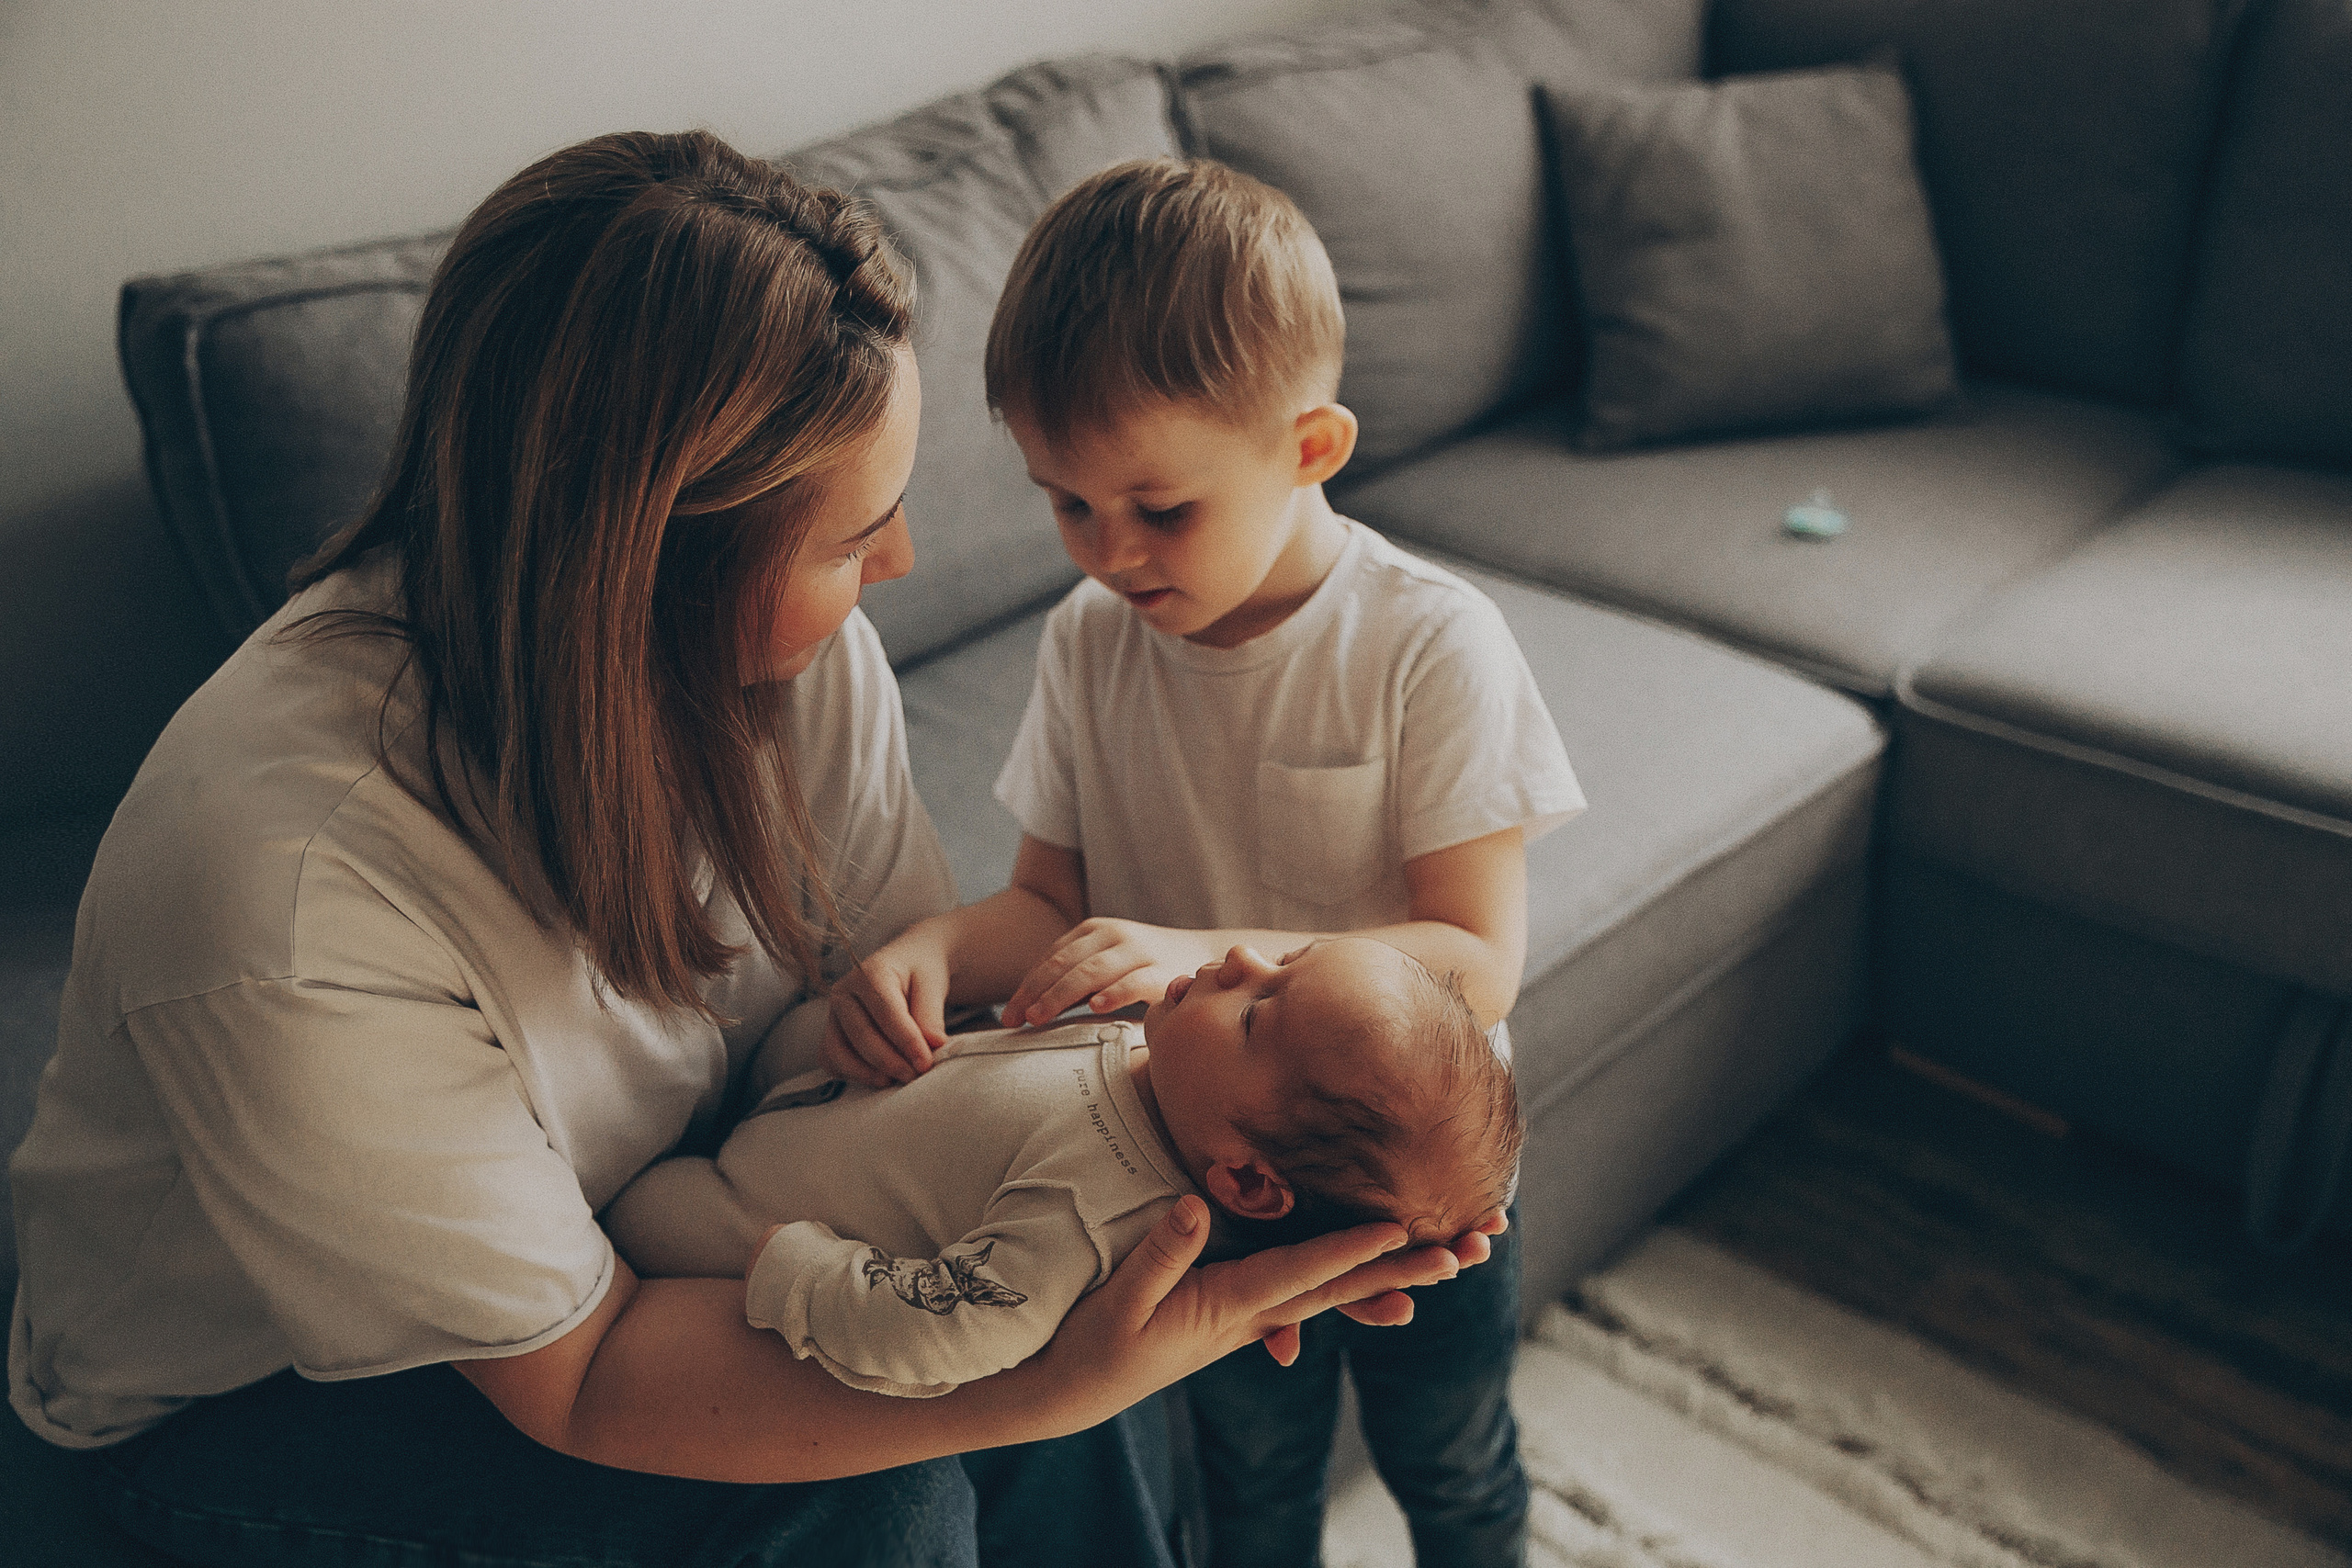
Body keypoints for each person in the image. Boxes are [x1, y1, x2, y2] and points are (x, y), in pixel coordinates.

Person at [6, 132, 1477, 1568]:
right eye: (852, 539)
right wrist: (1043, 1380)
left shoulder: (780, 658)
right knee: (885, 1491)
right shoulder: (290, 896)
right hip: (268, 1390)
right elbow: (583, 1372)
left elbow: (895, 1036)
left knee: (1090, 1255)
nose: (897, 565)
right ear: (644, 563)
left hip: (652, 1196)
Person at [825, 157, 1586, 1568]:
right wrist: (929, 948)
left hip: (1410, 1161)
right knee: (1244, 1478)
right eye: (1067, 503)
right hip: (1188, 1158)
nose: (1110, 553)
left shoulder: (1428, 640)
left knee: (1455, 1457)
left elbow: (1476, 956)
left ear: (1310, 445)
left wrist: (1198, 945)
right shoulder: (1090, 637)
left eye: (1161, 509)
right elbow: (1049, 901)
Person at [607, 936, 1521, 1399]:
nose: (1238, 955)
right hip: (838, 1089)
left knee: (638, 1204)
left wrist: (796, 1273)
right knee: (792, 1030)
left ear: (1244, 1181)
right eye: (1283, 961)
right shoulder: (1163, 1060)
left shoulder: (1095, 1214)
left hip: (754, 1209)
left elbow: (957, 1331)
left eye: (1257, 1011)